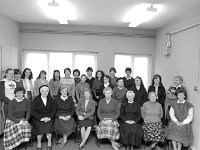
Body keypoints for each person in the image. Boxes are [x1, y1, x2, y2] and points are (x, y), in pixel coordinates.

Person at [31, 85, 56, 150]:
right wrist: (40, 118)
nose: (45, 93)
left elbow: (54, 110)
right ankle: (39, 142)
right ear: (40, 92)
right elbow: (33, 111)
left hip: (49, 117)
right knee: (39, 127)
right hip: (38, 118)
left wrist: (49, 118)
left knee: (49, 126)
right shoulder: (36, 99)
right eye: (43, 91)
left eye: (46, 91)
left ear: (48, 92)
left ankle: (49, 142)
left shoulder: (51, 99)